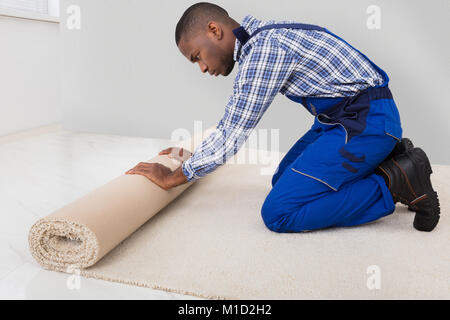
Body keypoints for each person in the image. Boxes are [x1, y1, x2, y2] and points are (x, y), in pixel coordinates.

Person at [126, 2, 440, 232]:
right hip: (345, 119)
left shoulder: (264, 52)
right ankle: (387, 155)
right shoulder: (262, 38)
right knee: (281, 182)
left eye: (198, 57)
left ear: (213, 30)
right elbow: (230, 123)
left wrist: (173, 176)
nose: (203, 68)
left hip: (366, 121)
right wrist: (192, 157)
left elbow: (232, 135)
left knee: (280, 212)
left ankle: (395, 181)